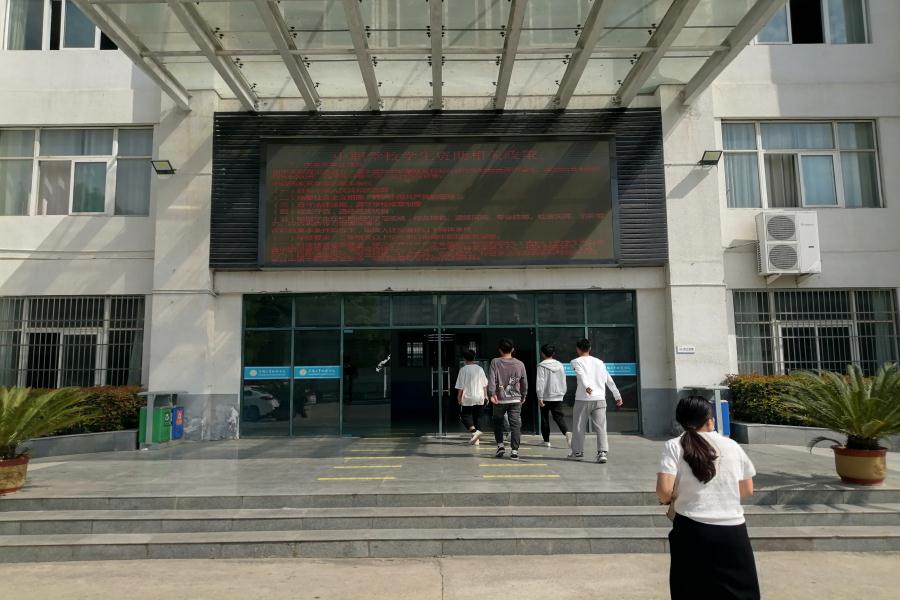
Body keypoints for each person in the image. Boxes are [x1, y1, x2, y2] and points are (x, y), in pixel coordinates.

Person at [657, 396, 759, 600]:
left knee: (690, 591)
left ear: (681, 421)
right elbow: (748, 489)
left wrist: (671, 499)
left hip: (691, 529)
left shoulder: (674, 445)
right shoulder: (732, 445)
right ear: (710, 420)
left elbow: (664, 490)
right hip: (733, 531)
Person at [570, 338, 623, 463]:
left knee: (579, 426)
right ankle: (602, 452)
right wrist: (617, 395)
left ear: (578, 349)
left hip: (583, 398)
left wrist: (587, 386)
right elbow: (608, 379)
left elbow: (581, 374)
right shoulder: (600, 362)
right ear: (590, 348)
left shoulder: (575, 361)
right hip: (600, 398)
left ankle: (578, 452)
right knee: (601, 427)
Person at [488, 338, 528, 460]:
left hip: (499, 399)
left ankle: (500, 446)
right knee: (515, 425)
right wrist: (523, 395)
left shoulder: (495, 362)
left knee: (498, 423)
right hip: (515, 399)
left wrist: (491, 394)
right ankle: (514, 451)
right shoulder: (520, 364)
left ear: (500, 350)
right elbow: (524, 382)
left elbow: (492, 379)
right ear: (513, 349)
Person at [535, 344, 571, 449]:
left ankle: (546, 441)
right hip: (558, 395)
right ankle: (566, 432)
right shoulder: (560, 365)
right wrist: (562, 392)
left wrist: (540, 397)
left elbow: (540, 382)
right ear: (553, 353)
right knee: (558, 417)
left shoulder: (541, 366)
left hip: (546, 396)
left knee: (544, 418)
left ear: (542, 354)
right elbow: (563, 379)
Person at [455, 349, 488, 444]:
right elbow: (484, 384)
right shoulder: (480, 369)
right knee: (478, 417)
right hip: (480, 396)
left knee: (464, 415)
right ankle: (477, 439)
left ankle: (474, 432)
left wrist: (458, 397)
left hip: (468, 397)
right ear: (474, 358)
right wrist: (486, 396)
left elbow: (460, 386)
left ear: (464, 359)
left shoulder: (463, 370)